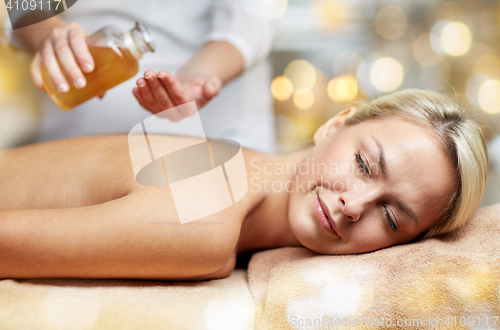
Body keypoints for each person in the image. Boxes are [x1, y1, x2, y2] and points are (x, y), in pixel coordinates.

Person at [0, 89, 488, 281]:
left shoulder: (236, 166)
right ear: (335, 125)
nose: (354, 205)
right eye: (363, 164)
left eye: (391, 216)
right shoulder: (206, 220)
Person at [6, 0, 277, 152]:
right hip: (74, 148)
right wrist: (51, 36)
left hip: (209, 145)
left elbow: (251, 17)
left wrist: (200, 75)